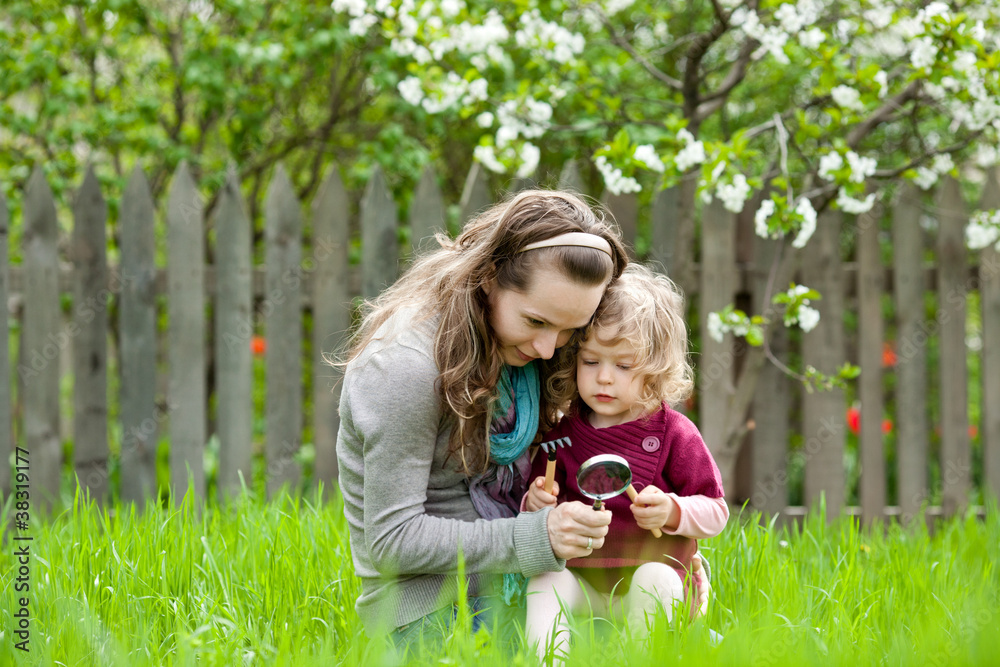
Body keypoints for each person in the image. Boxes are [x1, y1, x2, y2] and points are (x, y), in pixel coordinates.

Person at [334, 189, 629, 650]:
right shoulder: (404, 367)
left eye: (569, 330)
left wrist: (670, 553)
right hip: (429, 609)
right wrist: (536, 535)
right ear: (489, 276)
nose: (549, 348)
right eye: (535, 321)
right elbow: (391, 541)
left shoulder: (525, 357)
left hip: (526, 583)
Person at [522, 263, 729, 661]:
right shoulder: (562, 435)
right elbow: (534, 508)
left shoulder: (674, 433)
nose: (603, 378)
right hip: (584, 584)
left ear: (654, 371)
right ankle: (548, 658)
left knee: (656, 580)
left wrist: (673, 510)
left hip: (647, 580)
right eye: (591, 361)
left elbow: (716, 512)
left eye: (623, 366)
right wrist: (536, 504)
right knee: (546, 580)